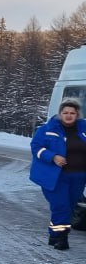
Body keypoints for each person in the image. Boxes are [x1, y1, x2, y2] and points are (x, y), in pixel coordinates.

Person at [29, 98, 86, 250]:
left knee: (70, 206)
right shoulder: (47, 129)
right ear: (60, 114)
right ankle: (62, 237)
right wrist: (53, 156)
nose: (68, 115)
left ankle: (54, 235)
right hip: (56, 177)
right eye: (65, 112)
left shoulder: (84, 129)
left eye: (72, 113)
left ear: (77, 114)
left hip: (79, 177)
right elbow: (36, 148)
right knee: (61, 206)